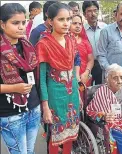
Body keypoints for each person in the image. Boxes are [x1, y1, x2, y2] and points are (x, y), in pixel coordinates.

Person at [36, 2, 80, 154]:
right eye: (61, 19)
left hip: (72, 94)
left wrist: (78, 95)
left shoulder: (71, 41)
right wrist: (45, 107)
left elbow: (73, 71)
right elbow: (42, 79)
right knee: (55, 136)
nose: (66, 23)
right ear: (50, 20)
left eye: (68, 19)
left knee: (70, 135)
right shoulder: (44, 44)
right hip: (54, 97)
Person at [0, 3, 41, 154]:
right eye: (15, 23)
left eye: (23, 22)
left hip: (33, 108)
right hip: (11, 114)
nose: (21, 27)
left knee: (29, 151)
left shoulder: (27, 45)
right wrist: (14, 88)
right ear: (2, 24)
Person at [82, 1, 107, 85]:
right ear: (84, 14)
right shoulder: (81, 30)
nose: (93, 14)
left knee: (102, 88)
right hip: (87, 65)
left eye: (95, 10)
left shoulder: (105, 28)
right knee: (86, 89)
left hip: (102, 64)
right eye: (89, 11)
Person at [70, 15, 94, 86]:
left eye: (80, 24)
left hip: (84, 78)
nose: (78, 26)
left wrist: (86, 73)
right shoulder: (64, 41)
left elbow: (91, 60)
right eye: (74, 23)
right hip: (69, 78)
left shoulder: (85, 42)